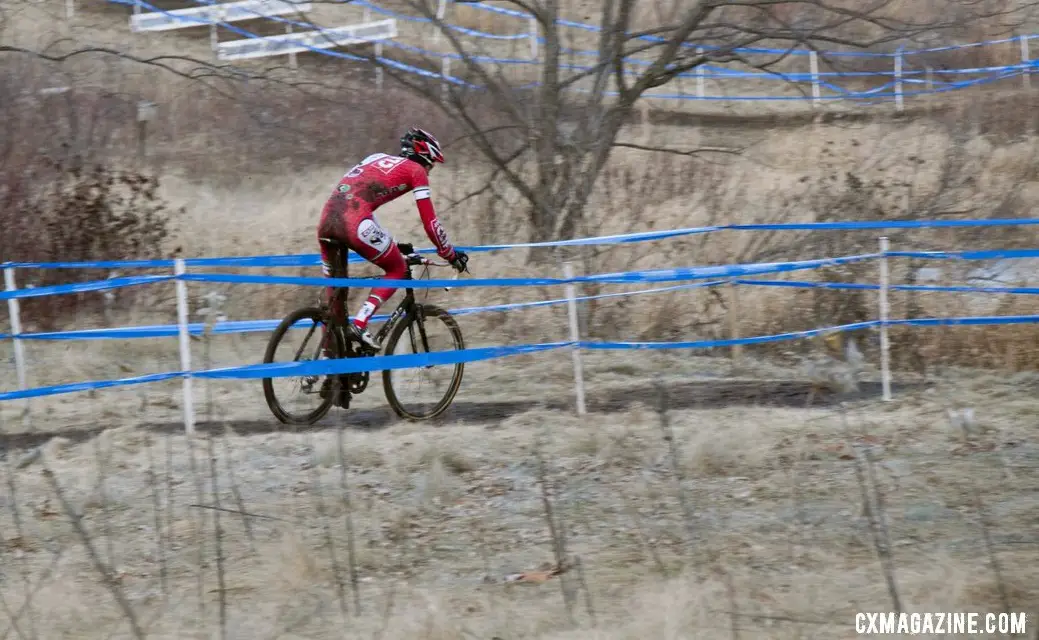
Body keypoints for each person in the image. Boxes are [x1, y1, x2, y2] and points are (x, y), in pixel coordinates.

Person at [317, 127, 469, 353]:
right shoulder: (416, 170)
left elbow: (354, 198)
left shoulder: (375, 158)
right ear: (425, 155)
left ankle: (332, 369)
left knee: (336, 298)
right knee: (397, 267)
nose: (430, 170)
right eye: (432, 164)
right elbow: (430, 222)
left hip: (326, 220)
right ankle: (360, 324)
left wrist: (390, 242)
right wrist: (449, 253)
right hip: (354, 222)